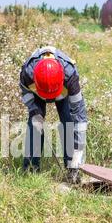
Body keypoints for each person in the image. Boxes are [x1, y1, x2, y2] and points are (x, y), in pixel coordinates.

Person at [20, 46, 88, 184]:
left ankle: (72, 169)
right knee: (35, 125)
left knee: (69, 123)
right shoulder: (27, 73)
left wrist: (78, 155)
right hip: (38, 91)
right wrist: (34, 111)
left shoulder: (70, 78)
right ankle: (30, 170)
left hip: (62, 93)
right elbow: (26, 94)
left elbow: (80, 120)